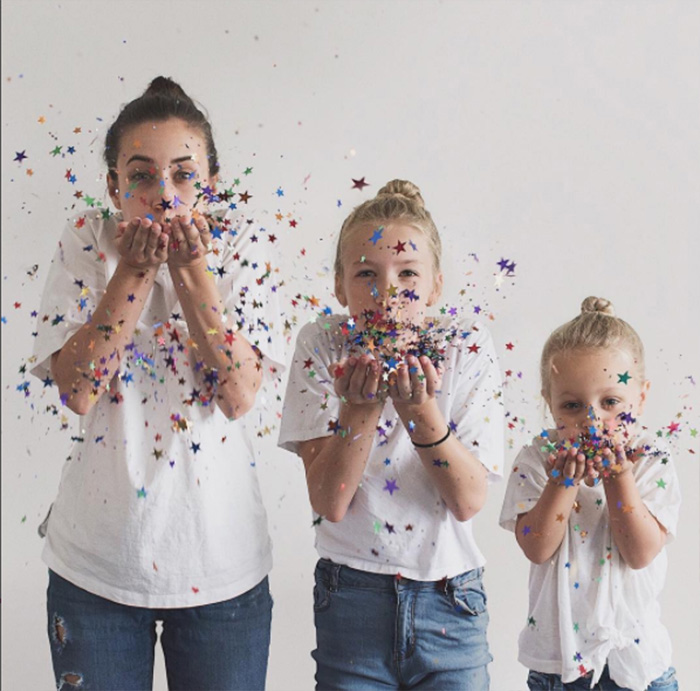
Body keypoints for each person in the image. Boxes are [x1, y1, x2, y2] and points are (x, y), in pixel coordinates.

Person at [30, 76, 284, 691]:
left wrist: (191, 269)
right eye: (141, 176)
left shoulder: (241, 243)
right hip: (96, 567)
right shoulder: (86, 240)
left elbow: (239, 393)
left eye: (183, 175)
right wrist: (135, 272)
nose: (163, 194)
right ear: (113, 184)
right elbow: (79, 390)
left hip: (222, 565)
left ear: (211, 183)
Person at [278, 179, 504, 689]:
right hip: (351, 595)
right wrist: (359, 409)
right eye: (366, 274)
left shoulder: (464, 345)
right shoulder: (322, 343)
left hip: (451, 601)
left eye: (407, 273)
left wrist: (420, 409)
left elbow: (468, 501)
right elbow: (329, 502)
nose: (387, 294)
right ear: (339, 285)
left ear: (435, 286)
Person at [499, 297, 680, 691]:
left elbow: (641, 553)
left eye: (610, 402)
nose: (592, 421)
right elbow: (536, 547)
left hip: (637, 663)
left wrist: (619, 477)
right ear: (549, 403)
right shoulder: (536, 459)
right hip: (559, 665)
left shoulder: (651, 460)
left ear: (641, 398)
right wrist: (562, 482)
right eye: (573, 405)